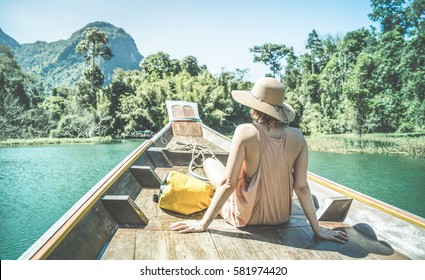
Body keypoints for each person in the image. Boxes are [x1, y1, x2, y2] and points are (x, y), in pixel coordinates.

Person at [170, 77, 348, 243]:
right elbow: (301, 187)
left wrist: (202, 224)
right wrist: (317, 229)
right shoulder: (298, 137)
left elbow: (228, 184)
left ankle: (206, 160)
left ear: (255, 107)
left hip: (246, 217)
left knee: (210, 163)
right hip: (281, 216)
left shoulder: (245, 131)